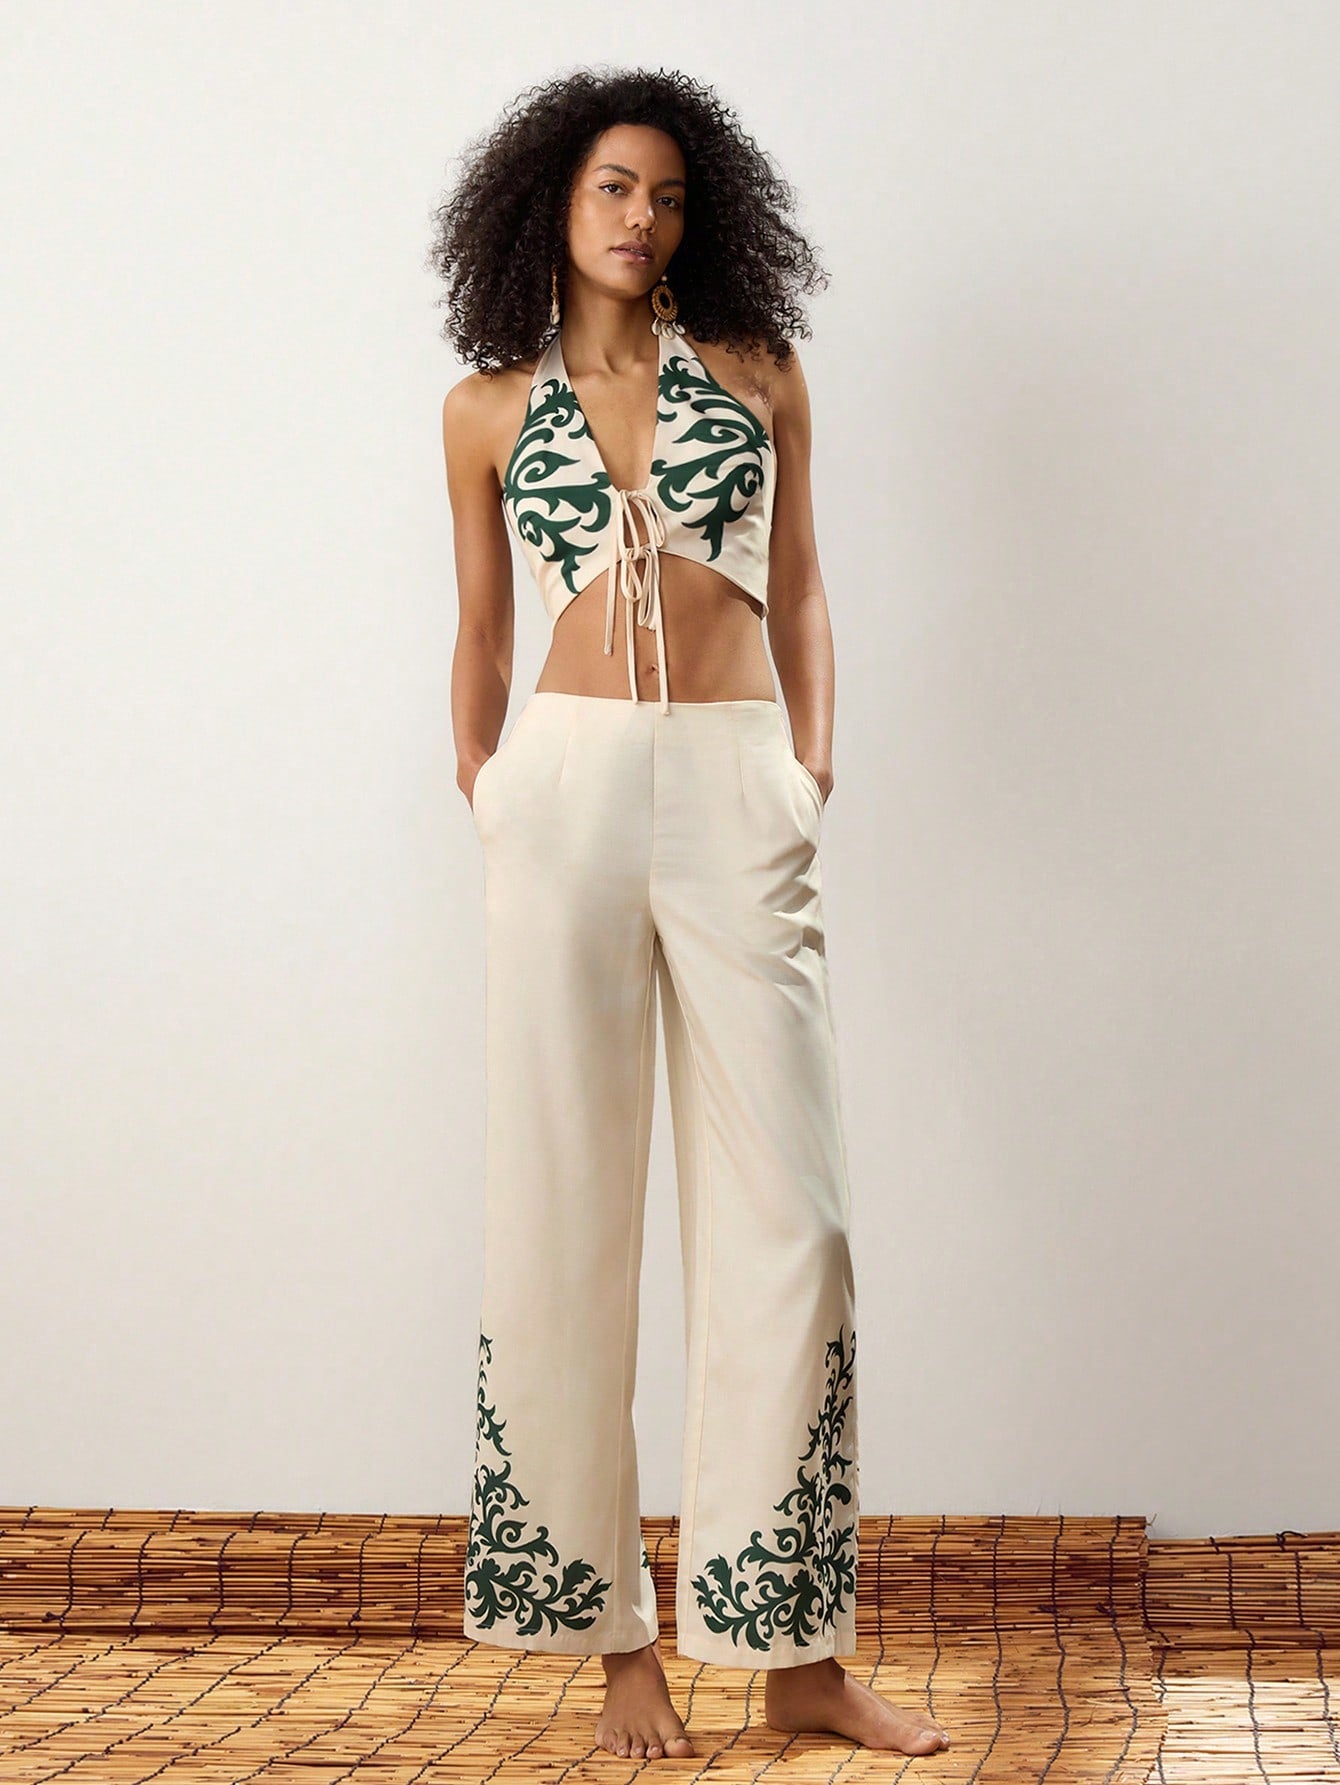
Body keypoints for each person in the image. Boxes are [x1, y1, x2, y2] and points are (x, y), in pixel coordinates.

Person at [430, 68, 951, 1763]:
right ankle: (612, 1647)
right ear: (551, 203)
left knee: (795, 1219)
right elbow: (480, 627)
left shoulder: (759, 369)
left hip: (736, 786)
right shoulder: (485, 409)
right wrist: (487, 779)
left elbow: (800, 586)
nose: (640, 217)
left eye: (664, 193)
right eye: (612, 187)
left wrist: (809, 768)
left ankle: (797, 1652)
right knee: (564, 1206)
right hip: (564, 797)